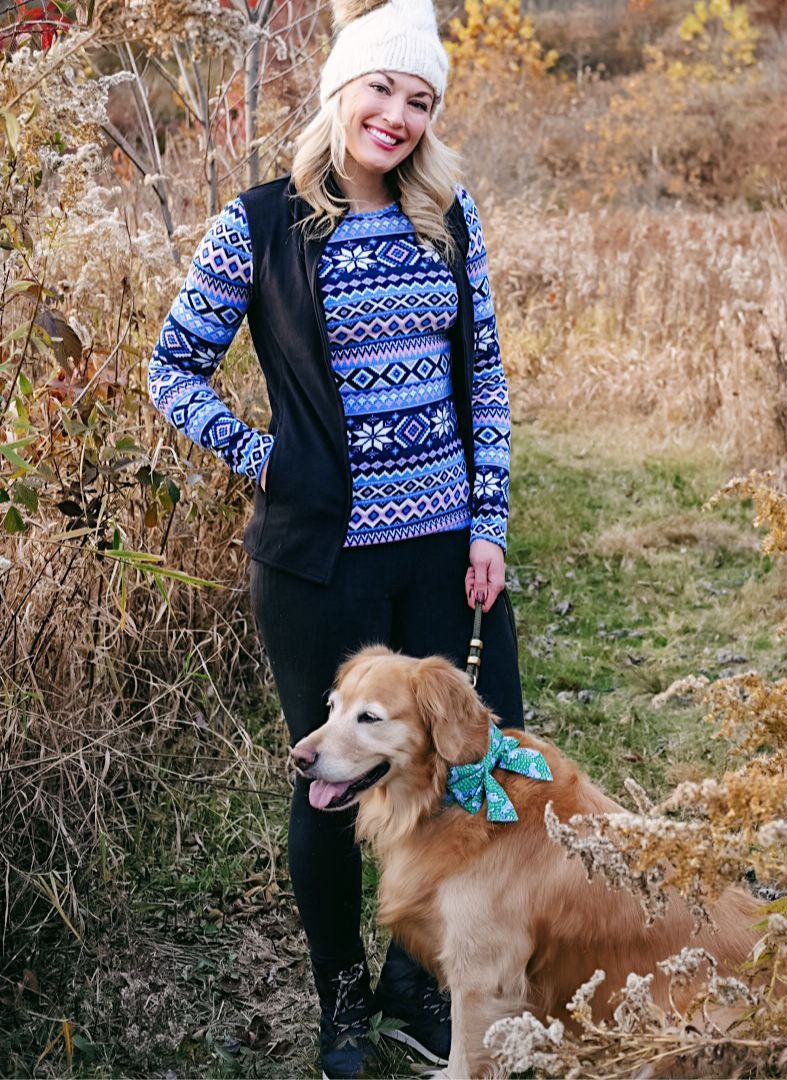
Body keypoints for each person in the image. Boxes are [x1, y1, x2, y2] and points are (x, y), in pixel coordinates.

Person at [146, 0, 524, 1074]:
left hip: (443, 553)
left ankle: (415, 977)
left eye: (421, 99)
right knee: (330, 778)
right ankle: (342, 1001)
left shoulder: (449, 218)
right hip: (318, 564)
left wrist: (487, 524)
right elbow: (171, 367)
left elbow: (485, 380)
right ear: (339, 93)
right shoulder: (261, 222)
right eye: (382, 90)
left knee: (459, 770)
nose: (398, 116)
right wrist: (271, 458)